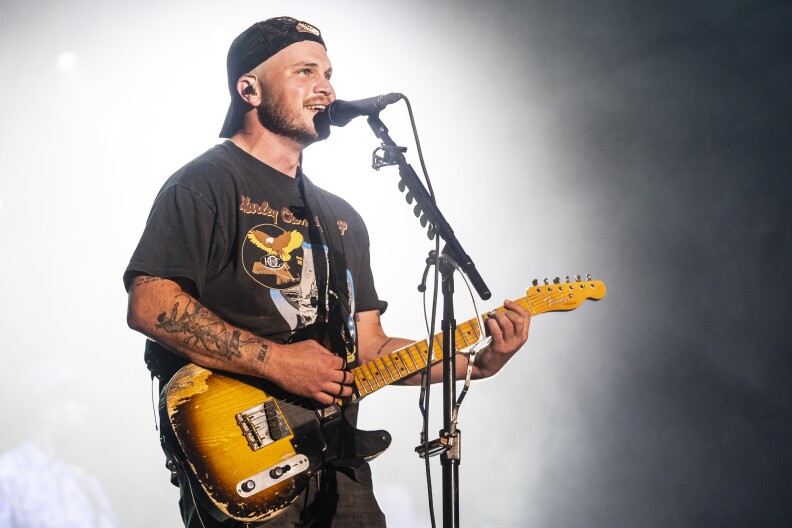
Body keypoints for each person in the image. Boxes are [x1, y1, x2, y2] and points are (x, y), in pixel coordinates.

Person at [124, 16, 530, 528]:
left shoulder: (341, 218)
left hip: (336, 456)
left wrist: (474, 363)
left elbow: (370, 349)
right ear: (249, 88)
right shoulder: (203, 184)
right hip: (240, 445)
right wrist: (279, 363)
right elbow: (151, 303)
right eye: (305, 71)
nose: (327, 88)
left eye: (329, 73)